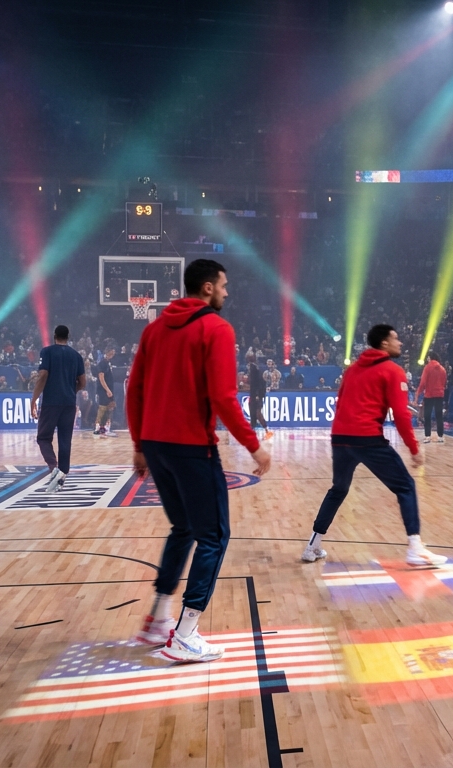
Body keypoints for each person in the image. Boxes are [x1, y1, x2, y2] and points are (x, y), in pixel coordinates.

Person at [127, 259, 271, 663]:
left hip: (156, 446)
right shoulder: (216, 328)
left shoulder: (153, 329)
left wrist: (139, 445)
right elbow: (224, 397)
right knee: (213, 536)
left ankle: (157, 620)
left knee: (184, 527)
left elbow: (134, 390)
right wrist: (253, 445)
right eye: (224, 285)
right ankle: (185, 635)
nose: (228, 292)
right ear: (207, 288)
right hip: (190, 446)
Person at [303, 324, 445, 567]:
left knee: (338, 489)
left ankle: (312, 545)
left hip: (340, 437)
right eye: (396, 339)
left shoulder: (351, 370)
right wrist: (414, 448)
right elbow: (401, 415)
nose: (400, 343)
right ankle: (415, 548)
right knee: (406, 487)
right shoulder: (393, 370)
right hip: (367, 438)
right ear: (384, 343)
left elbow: (340, 405)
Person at [30, 326, 86, 493]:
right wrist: (70, 391)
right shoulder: (76, 356)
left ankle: (54, 469)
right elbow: (82, 382)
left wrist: (33, 400)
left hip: (51, 402)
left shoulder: (47, 352)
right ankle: (61, 478)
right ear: (68, 337)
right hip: (69, 403)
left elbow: (43, 375)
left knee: (43, 437)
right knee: (64, 441)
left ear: (54, 336)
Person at [416, 351, 447, 443]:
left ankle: (427, 436)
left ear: (430, 358)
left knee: (427, 415)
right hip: (440, 394)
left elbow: (423, 382)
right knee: (439, 415)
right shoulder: (442, 369)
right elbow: (444, 382)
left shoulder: (427, 367)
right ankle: (440, 436)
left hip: (429, 394)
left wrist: (418, 393)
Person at [246, 352, 272, 440]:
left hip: (256, 395)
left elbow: (257, 382)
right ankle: (250, 433)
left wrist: (257, 394)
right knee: (253, 414)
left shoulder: (255, 368)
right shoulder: (253, 367)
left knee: (257, 413)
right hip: (254, 394)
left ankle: (268, 431)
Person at [93, 346, 117, 437]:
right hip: (103, 390)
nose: (113, 354)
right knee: (102, 408)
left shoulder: (108, 363)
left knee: (110, 407)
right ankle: (97, 427)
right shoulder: (102, 364)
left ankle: (106, 428)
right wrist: (107, 390)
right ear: (108, 352)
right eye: (112, 352)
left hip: (109, 389)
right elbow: (101, 378)